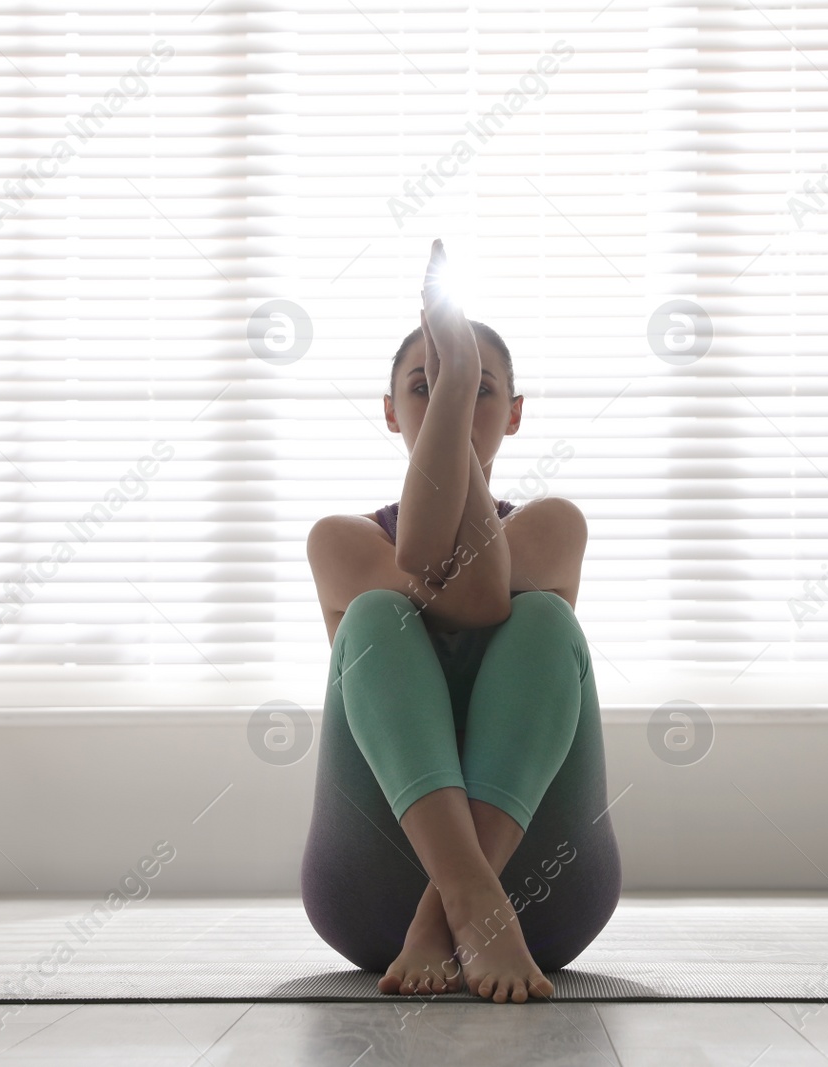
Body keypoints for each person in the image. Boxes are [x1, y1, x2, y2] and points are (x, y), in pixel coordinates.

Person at [301, 238, 621, 1004]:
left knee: (541, 622)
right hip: (369, 895)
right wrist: (458, 394)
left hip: (547, 898)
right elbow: (444, 572)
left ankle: (451, 911)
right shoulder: (342, 541)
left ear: (513, 413)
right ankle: (467, 898)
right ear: (391, 411)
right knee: (379, 615)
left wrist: (451, 387)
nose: (451, 397)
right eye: (426, 384)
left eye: (478, 388)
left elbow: (481, 592)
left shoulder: (552, 526)